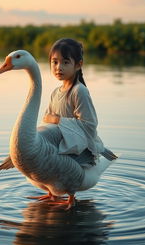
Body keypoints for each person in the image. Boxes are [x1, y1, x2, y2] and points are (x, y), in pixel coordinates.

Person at [42, 38, 117, 167]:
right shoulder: (55, 93)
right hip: (63, 147)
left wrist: (58, 120)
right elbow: (47, 124)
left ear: (78, 64)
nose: (59, 67)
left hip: (81, 151)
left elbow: (89, 126)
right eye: (55, 62)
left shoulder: (79, 91)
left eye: (65, 62)